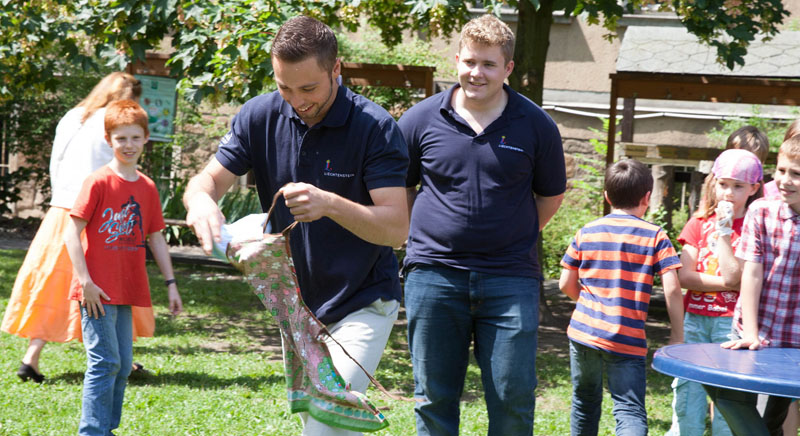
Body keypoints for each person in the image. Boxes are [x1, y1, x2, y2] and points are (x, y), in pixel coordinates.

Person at [181, 16, 408, 436]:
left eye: (308, 89)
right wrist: (200, 201)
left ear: (335, 69)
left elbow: (396, 229)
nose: (297, 101)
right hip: (298, 306)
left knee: (324, 425)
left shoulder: (375, 128)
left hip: (363, 302)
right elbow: (207, 180)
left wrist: (330, 204)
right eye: (285, 87)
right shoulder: (260, 115)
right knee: (321, 422)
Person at [397, 14, 566, 436]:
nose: (477, 73)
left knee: (512, 400)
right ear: (457, 60)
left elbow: (550, 196)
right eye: (470, 61)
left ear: (508, 68)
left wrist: (508, 234)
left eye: (489, 64)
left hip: (510, 278)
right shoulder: (419, 120)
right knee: (433, 399)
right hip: (433, 275)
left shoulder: (536, 125)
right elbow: (399, 188)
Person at [1, 72, 154, 383]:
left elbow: (55, 163)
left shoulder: (72, 117)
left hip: (61, 210)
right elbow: (115, 172)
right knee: (111, 284)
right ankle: (119, 358)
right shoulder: (112, 125)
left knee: (52, 285)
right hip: (96, 214)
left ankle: (32, 357)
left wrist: (62, 198)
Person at [64, 99, 183, 436]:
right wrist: (85, 281)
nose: (128, 145)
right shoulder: (98, 182)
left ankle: (107, 428)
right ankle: (92, 432)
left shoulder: (147, 187)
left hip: (126, 288)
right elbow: (71, 233)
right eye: (120, 138)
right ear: (108, 140)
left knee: (123, 366)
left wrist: (171, 283)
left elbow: (156, 237)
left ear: (146, 138)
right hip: (96, 291)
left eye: (134, 137)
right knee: (105, 362)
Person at [559, 158, 684, 436]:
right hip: (626, 336)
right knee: (629, 409)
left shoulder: (586, 232)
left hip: (584, 332)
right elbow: (672, 289)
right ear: (647, 198)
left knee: (584, 401)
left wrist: (590, 306)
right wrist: (677, 335)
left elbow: (566, 283)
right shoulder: (656, 236)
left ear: (607, 196)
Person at [665, 149, 763, 436]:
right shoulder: (697, 223)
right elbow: (685, 276)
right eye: (723, 184)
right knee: (687, 393)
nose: (728, 193)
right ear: (713, 182)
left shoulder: (754, 227)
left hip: (732, 323)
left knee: (729, 398)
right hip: (695, 319)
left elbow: (740, 277)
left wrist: (724, 233)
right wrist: (730, 283)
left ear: (753, 188)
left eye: (738, 186)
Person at [713, 135, 800, 436]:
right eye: (781, 170)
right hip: (752, 327)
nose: (785, 180)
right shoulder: (761, 211)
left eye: (796, 173)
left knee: (772, 420)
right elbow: (751, 274)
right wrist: (750, 333)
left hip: (793, 339)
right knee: (734, 403)